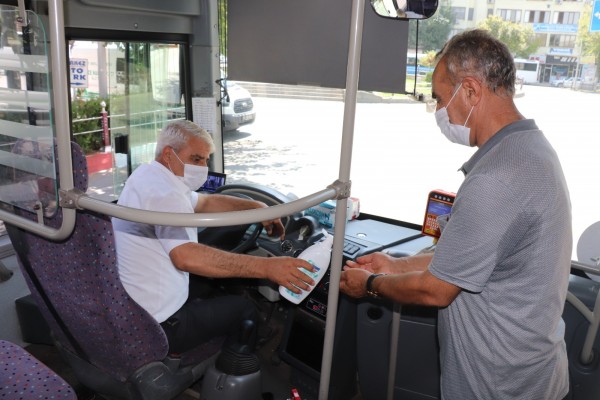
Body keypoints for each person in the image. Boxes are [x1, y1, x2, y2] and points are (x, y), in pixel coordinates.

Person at [340, 29, 571, 399]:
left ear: (470, 91)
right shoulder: (530, 149)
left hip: (497, 386)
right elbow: (469, 256)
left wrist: (369, 285)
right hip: (533, 374)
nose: (439, 111)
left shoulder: (497, 179)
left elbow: (437, 290)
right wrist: (392, 264)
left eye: (440, 99)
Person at [112, 120, 315, 354]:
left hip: (134, 303)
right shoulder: (166, 195)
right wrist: (268, 267)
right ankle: (236, 373)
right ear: (169, 154)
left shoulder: (149, 176)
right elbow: (186, 258)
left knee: (211, 284)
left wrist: (257, 207)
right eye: (197, 159)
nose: (203, 167)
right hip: (158, 324)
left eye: (206, 160)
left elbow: (205, 201)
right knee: (244, 310)